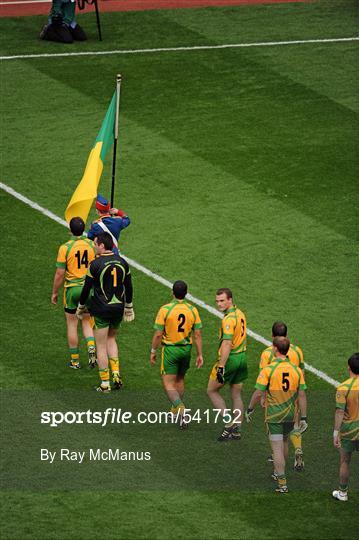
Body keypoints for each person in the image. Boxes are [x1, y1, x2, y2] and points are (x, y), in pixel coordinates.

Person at [246, 336, 307, 494]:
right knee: (285, 442)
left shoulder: (269, 370)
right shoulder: (296, 370)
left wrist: (250, 409)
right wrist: (304, 418)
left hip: (274, 415)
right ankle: (279, 473)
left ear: (275, 349)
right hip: (290, 414)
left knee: (277, 449)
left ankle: (282, 483)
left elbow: (259, 392)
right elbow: (302, 395)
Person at [76, 232, 134, 392]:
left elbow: (86, 288)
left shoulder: (94, 264)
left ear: (102, 245)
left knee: (100, 346)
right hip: (118, 308)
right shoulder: (123, 262)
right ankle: (116, 373)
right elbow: (128, 286)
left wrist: (81, 306)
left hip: (101, 308)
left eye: (95, 243)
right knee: (112, 339)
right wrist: (129, 306)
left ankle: (105, 383)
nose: (94, 246)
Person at [150, 280, 203, 429]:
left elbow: (158, 334)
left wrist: (153, 351)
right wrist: (200, 354)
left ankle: (181, 409)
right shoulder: (192, 310)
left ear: (172, 292)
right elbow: (197, 334)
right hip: (186, 350)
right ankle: (175, 411)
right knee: (180, 378)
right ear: (186, 293)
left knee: (168, 382)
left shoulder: (165, 310)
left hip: (170, 350)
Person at [51, 217, 96, 369]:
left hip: (72, 290)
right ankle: (91, 350)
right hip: (89, 289)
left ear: (70, 230)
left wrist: (54, 293)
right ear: (83, 229)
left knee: (72, 324)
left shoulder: (65, 248)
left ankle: (75, 361)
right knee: (87, 321)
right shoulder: (91, 244)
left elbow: (59, 273)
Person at [260, 321, 305, 471]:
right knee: (295, 424)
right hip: (295, 391)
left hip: (276, 398)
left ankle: (278, 467)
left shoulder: (267, 353)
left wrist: (263, 397)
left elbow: (264, 379)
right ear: (286, 335)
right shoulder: (297, 351)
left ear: (272, 336)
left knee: (278, 435)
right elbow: (302, 371)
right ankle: (298, 449)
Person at [207, 288, 247, 441]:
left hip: (230, 360)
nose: (219, 304)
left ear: (230, 300)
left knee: (212, 391)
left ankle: (228, 422)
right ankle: (237, 430)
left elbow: (227, 344)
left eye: (222, 300)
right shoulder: (241, 314)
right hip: (242, 358)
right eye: (217, 301)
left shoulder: (228, 319)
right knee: (236, 394)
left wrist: (221, 367)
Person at [332, 352, 359, 502]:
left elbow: (340, 411)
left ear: (349, 367)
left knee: (345, 461)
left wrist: (336, 432)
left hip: (349, 430)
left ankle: (343, 493)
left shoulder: (343, 387)